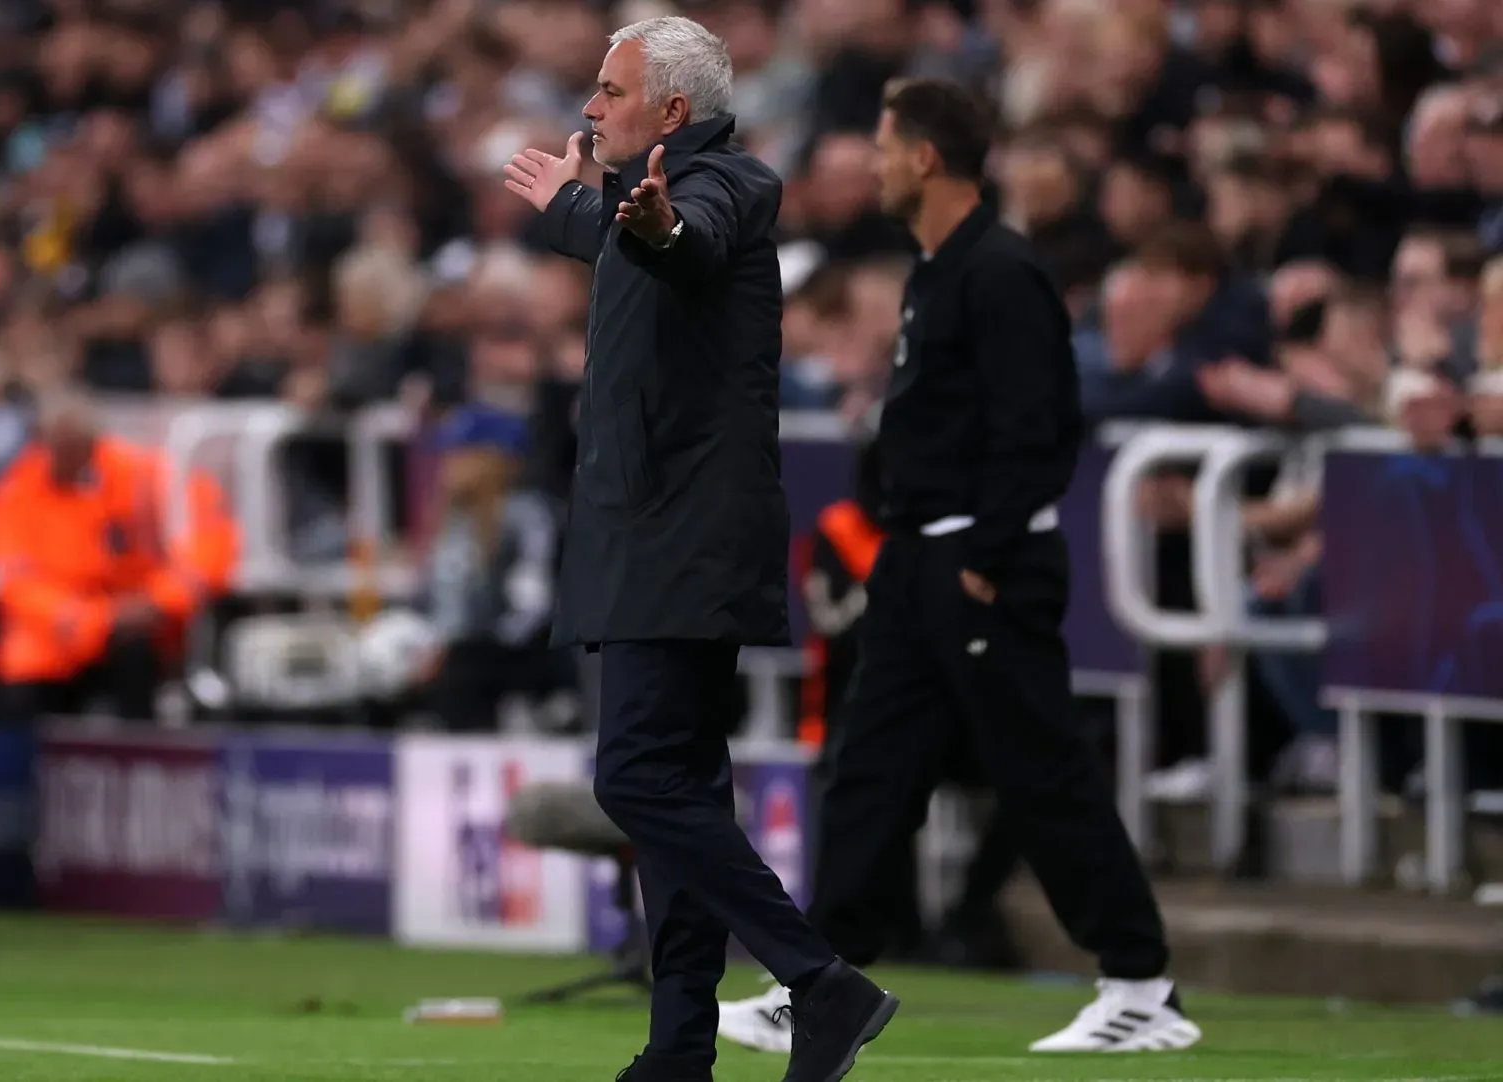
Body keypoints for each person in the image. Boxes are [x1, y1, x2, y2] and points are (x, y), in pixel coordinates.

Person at [756, 76, 1201, 1054]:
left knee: (1040, 770)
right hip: (920, 557)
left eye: (881, 144)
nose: (871, 162)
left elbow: (1041, 427)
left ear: (924, 157)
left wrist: (988, 551)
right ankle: (819, 978)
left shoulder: (1001, 271)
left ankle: (1140, 980)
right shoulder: (938, 268)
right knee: (870, 773)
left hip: (976, 557)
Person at [502, 17, 895, 1082]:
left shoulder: (730, 185)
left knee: (635, 780)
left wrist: (655, 223)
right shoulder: (642, 202)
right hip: (656, 533)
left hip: (682, 536)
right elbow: (633, 241)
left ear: (674, 110)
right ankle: (680, 1044)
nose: (590, 107)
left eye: (610, 90)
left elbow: (688, 241)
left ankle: (819, 979)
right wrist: (576, 212)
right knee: (678, 788)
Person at [0, 388, 238, 721]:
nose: (68, 455)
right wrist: (86, 618)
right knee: (17, 696)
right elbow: (13, 582)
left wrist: (158, 602)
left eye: (78, 443)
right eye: (57, 443)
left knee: (137, 662)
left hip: (138, 626)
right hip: (54, 637)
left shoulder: (143, 475)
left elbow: (209, 546)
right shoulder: (14, 494)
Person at [417, 405, 576, 732]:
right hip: (447, 657)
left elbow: (532, 607)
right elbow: (437, 599)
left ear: (491, 459)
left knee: (464, 670)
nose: (447, 463)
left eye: (459, 452)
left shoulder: (526, 516)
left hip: (508, 661)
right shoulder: (455, 521)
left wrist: (460, 649)